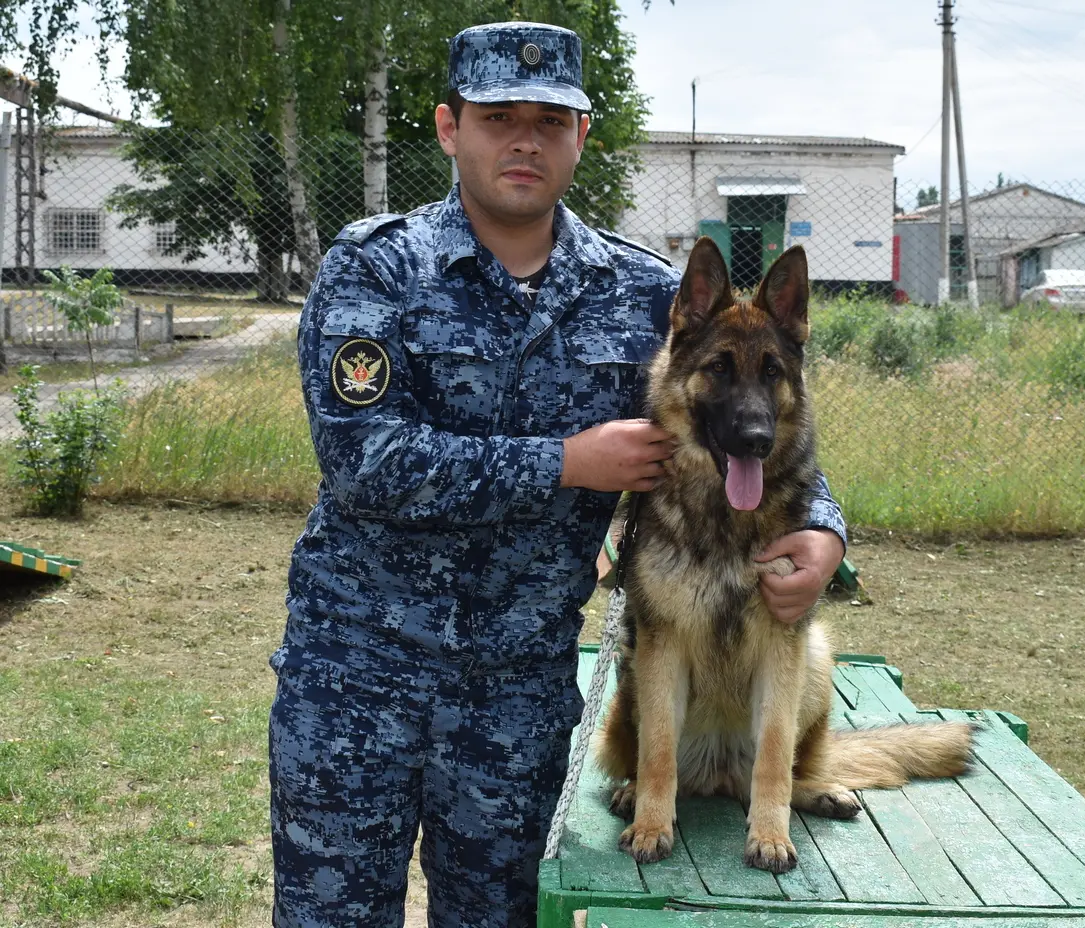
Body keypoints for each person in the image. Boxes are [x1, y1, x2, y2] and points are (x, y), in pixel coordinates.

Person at [268, 20, 848, 928]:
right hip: (355, 676)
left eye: (551, 119)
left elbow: (748, 426)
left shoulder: (638, 293)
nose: (525, 139)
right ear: (449, 127)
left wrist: (822, 526)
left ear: (582, 136)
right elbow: (363, 462)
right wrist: (567, 464)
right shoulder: (372, 266)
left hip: (515, 696)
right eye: (499, 116)